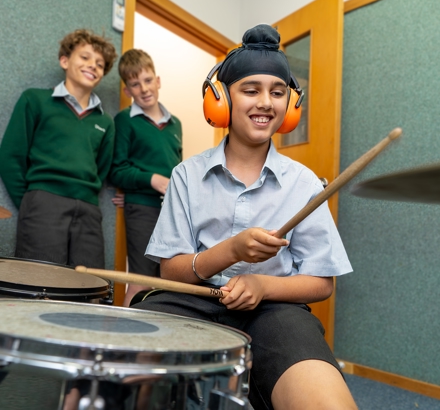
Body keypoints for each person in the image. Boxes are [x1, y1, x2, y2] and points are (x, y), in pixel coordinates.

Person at [133, 24, 358, 410]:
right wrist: (232, 249)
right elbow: (170, 273)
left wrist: (263, 286)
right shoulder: (187, 175)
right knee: (126, 377)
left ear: (291, 105)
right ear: (221, 100)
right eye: (250, 90)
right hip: (192, 299)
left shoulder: (304, 183)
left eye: (277, 92)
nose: (265, 103)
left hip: (275, 310)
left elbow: (322, 283)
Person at [0, 29, 117, 268]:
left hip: (89, 211)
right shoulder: (35, 100)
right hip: (43, 203)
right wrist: (32, 201)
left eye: (100, 64)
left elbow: (102, 168)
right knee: (40, 281)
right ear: (64, 60)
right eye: (85, 57)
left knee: (90, 285)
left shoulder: (105, 122)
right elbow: (10, 156)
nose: (92, 66)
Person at [109, 49, 182, 307]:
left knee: (169, 280)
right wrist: (153, 181)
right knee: (140, 280)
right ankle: (126, 344)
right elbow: (117, 169)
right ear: (128, 91)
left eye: (148, 80)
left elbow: (178, 170)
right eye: (135, 84)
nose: (144, 89)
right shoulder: (124, 121)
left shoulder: (176, 125)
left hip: (172, 211)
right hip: (142, 209)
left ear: (158, 81)